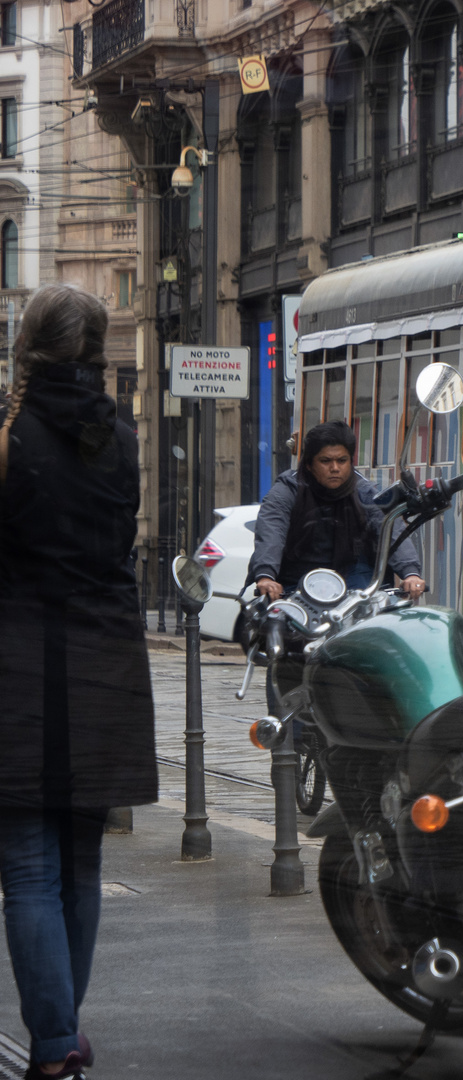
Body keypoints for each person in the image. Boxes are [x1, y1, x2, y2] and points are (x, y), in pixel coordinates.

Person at [0, 284, 158, 1079]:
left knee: (28, 866)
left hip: (21, 665)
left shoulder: (11, 435)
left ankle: (57, 1042)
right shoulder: (121, 436)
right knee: (81, 864)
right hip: (105, 660)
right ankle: (62, 1034)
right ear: (96, 350)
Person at [249, 421, 425, 602]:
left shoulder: (365, 491)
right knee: (267, 619)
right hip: (297, 583)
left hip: (355, 580)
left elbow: (389, 527)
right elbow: (271, 529)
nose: (335, 468)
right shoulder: (287, 490)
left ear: (350, 462)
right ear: (309, 464)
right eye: (325, 461)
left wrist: (410, 573)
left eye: (342, 461)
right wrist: (266, 576)